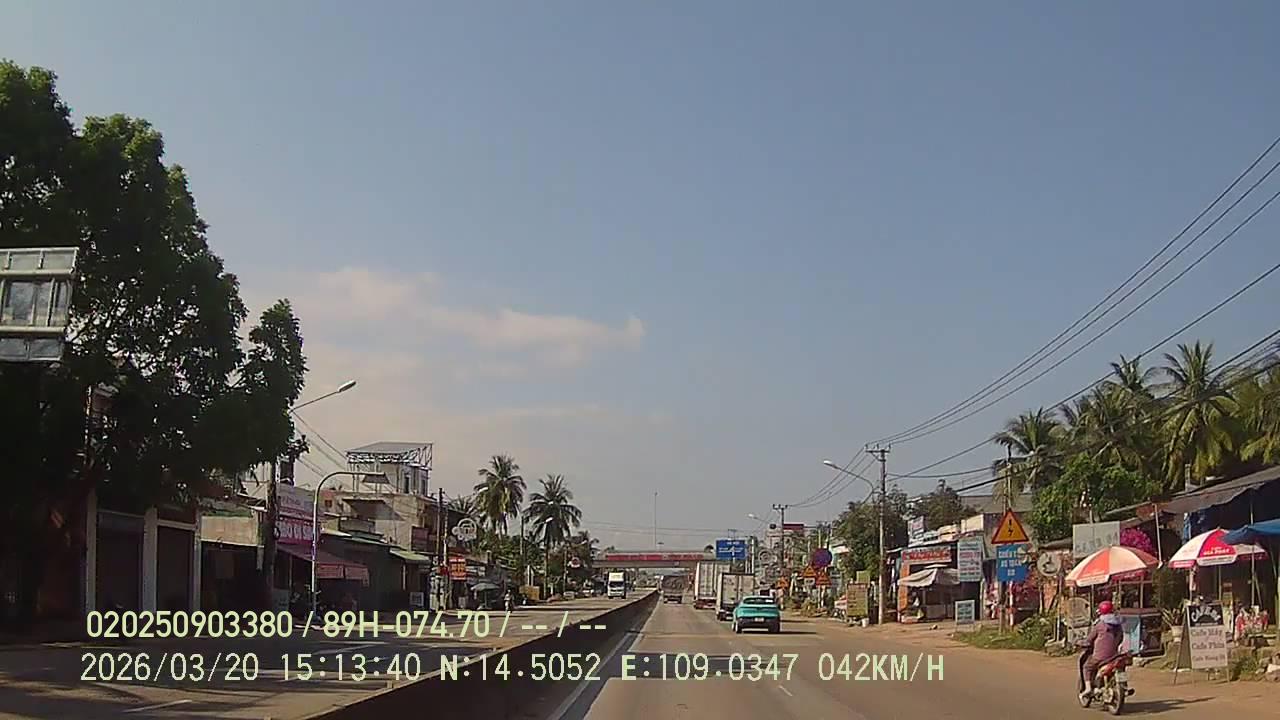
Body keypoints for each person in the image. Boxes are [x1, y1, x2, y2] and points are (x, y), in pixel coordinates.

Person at [1079, 600, 1124, 702]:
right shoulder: (1118, 624)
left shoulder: (1099, 625)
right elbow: (1121, 638)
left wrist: (1081, 643)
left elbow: (1089, 639)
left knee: (1087, 667)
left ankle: (1088, 688)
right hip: (1114, 656)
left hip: (1100, 657)